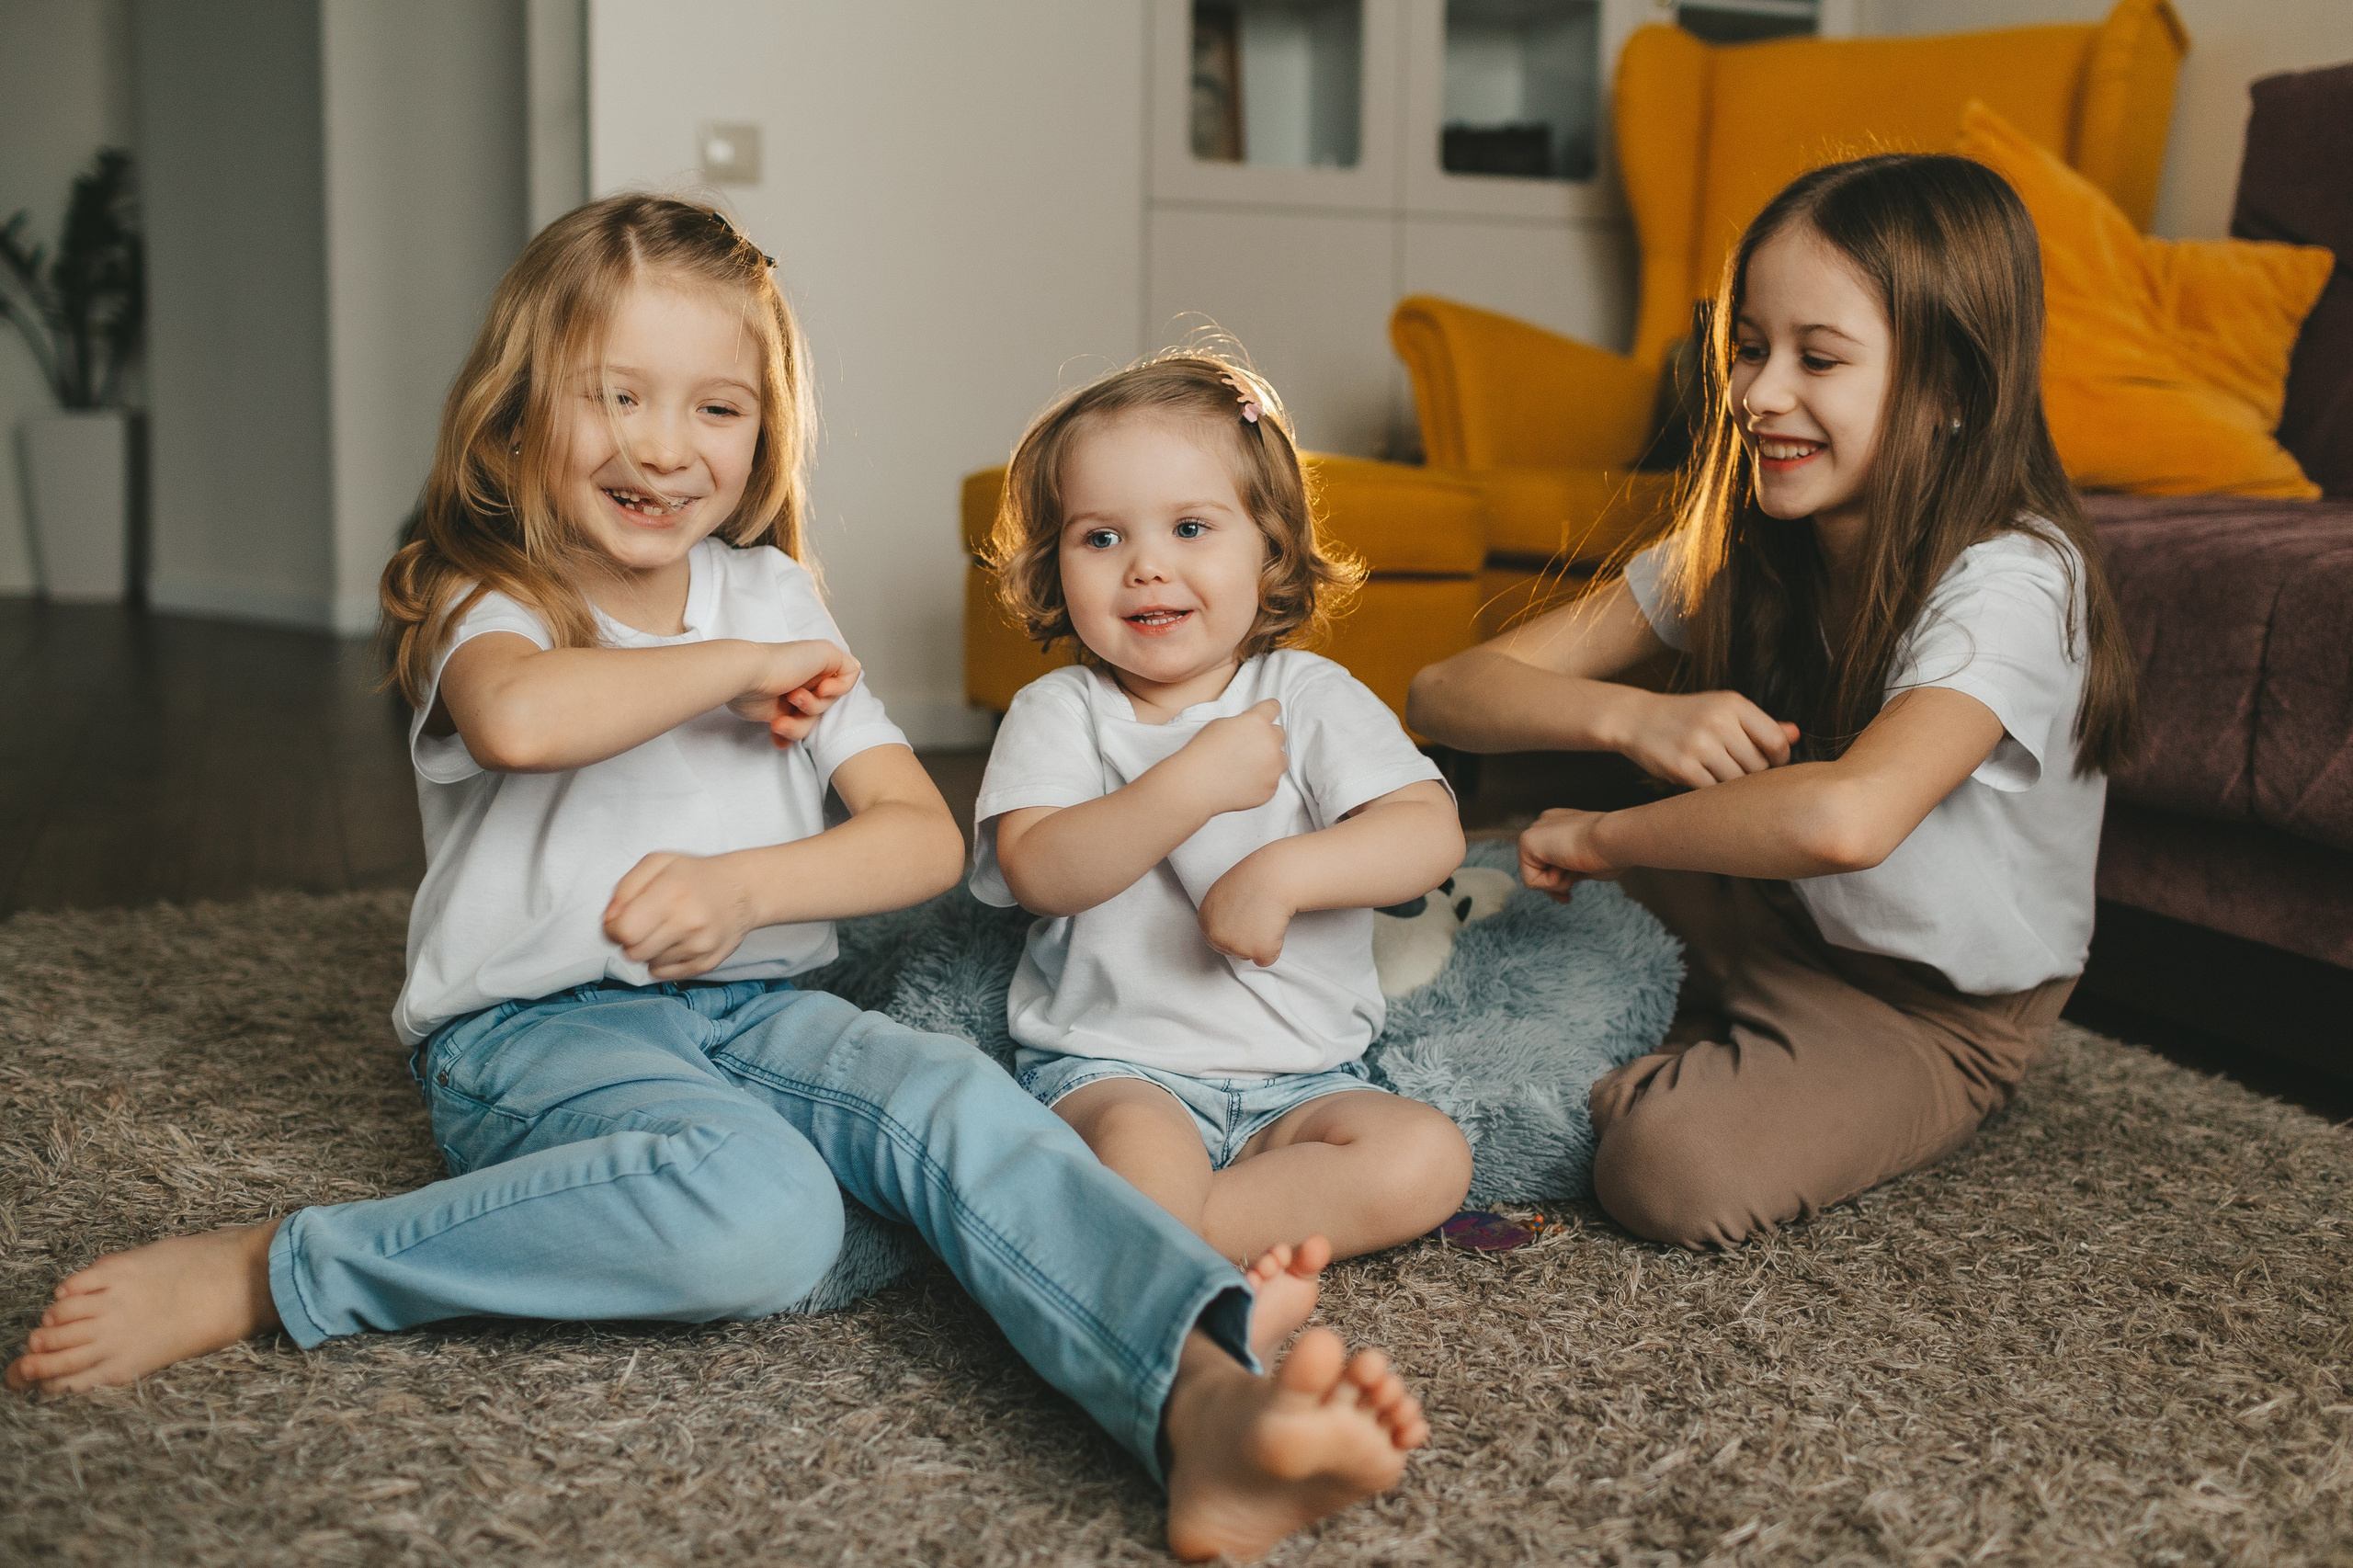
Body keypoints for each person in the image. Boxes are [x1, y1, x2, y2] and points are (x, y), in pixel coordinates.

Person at [6, 196, 1428, 1564]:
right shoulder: (486, 591)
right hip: (539, 1032)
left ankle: (1203, 1405)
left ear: (765, 430)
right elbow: (523, 718)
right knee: (773, 1213)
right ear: (518, 413)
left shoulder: (771, 593)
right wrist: (741, 677)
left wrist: (750, 886)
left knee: (964, 1109)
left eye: (716, 407)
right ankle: (287, 1267)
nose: (664, 447)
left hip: (763, 1010)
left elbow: (919, 838)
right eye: (613, 395)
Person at [1407, 154, 2138, 1251]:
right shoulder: (1742, 543)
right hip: (1747, 899)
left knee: (1669, 1171)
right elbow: (1444, 691)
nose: (1756, 392)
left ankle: (1609, 1074)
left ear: (1950, 390)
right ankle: (1650, 1030)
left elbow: (1846, 820)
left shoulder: (2017, 581)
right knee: (1419, 919)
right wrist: (1631, 719)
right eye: (1748, 348)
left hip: (1924, 1005)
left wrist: (1607, 833)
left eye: (1819, 358)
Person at [972, 353, 1475, 1280]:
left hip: (1307, 1082)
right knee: (1135, 1151)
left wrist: (1285, 872)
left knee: (1428, 1156)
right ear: (1053, 565)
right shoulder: (1062, 710)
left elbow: (1427, 831)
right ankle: (1176, 1240)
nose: (1147, 565)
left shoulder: (1309, 695)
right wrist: (1189, 783)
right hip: (1120, 1068)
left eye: (1191, 526)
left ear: (1270, 549)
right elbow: (1039, 869)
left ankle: (1171, 1242)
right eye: (1100, 538)